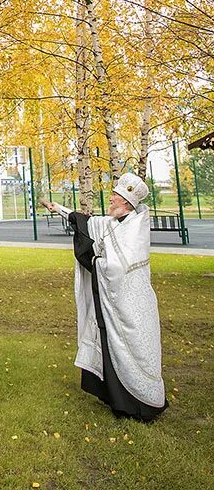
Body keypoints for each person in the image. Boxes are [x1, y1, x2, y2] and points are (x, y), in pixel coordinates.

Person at [40, 172, 167, 421]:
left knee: (135, 352)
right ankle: (117, 399)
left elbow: (120, 267)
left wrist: (96, 261)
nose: (110, 200)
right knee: (112, 348)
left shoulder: (134, 229)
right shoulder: (113, 223)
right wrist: (56, 208)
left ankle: (140, 404)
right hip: (113, 303)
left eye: (114, 198)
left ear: (126, 203)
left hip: (132, 305)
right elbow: (86, 223)